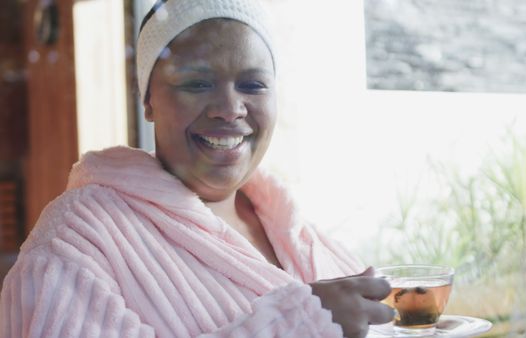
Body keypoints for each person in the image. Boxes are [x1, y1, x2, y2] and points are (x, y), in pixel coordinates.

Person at [0, 0, 394, 337]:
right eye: (197, 84)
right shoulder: (78, 239)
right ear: (148, 101)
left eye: (253, 85)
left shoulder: (297, 233)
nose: (229, 108)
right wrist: (296, 326)